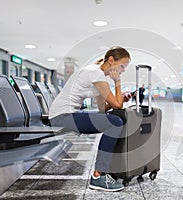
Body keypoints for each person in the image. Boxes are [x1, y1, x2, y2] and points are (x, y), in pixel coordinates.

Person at [49, 46, 131, 192]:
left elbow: (102, 109)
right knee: (116, 122)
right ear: (111, 61)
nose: (123, 70)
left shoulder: (98, 74)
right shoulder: (96, 73)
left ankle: (107, 169)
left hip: (69, 114)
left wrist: (121, 99)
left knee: (113, 118)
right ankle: (98, 175)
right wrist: (118, 82)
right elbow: (117, 105)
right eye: (123, 66)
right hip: (62, 117)